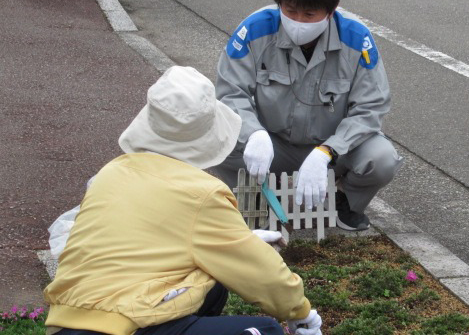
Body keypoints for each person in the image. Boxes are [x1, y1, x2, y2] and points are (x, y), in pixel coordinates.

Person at [43, 66, 322, 335]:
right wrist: (301, 311)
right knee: (265, 331)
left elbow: (142, 241)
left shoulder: (112, 172)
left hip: (65, 323)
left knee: (212, 288)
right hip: (129, 324)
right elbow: (264, 276)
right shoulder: (203, 193)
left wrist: (243, 240)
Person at [213, 0, 403, 231]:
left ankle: (345, 203)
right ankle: (254, 203)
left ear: (331, 10)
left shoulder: (356, 39)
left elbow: (370, 108)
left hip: (330, 151)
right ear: (279, 4)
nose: (298, 21)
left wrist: (328, 150)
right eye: (290, 11)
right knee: (217, 136)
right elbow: (230, 93)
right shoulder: (254, 30)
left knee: (382, 159)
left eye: (309, 15)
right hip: (272, 145)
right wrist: (253, 133)